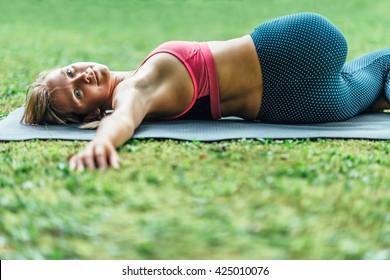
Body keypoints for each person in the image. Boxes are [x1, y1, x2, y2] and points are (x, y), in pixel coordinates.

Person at [22, 12, 390, 171]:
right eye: (76, 93)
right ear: (89, 114)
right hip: (295, 48)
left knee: (371, 89)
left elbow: (125, 113)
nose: (82, 77)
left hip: (289, 106)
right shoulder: (136, 88)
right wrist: (101, 143)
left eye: (71, 71)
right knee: (382, 69)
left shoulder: (141, 90)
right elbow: (124, 118)